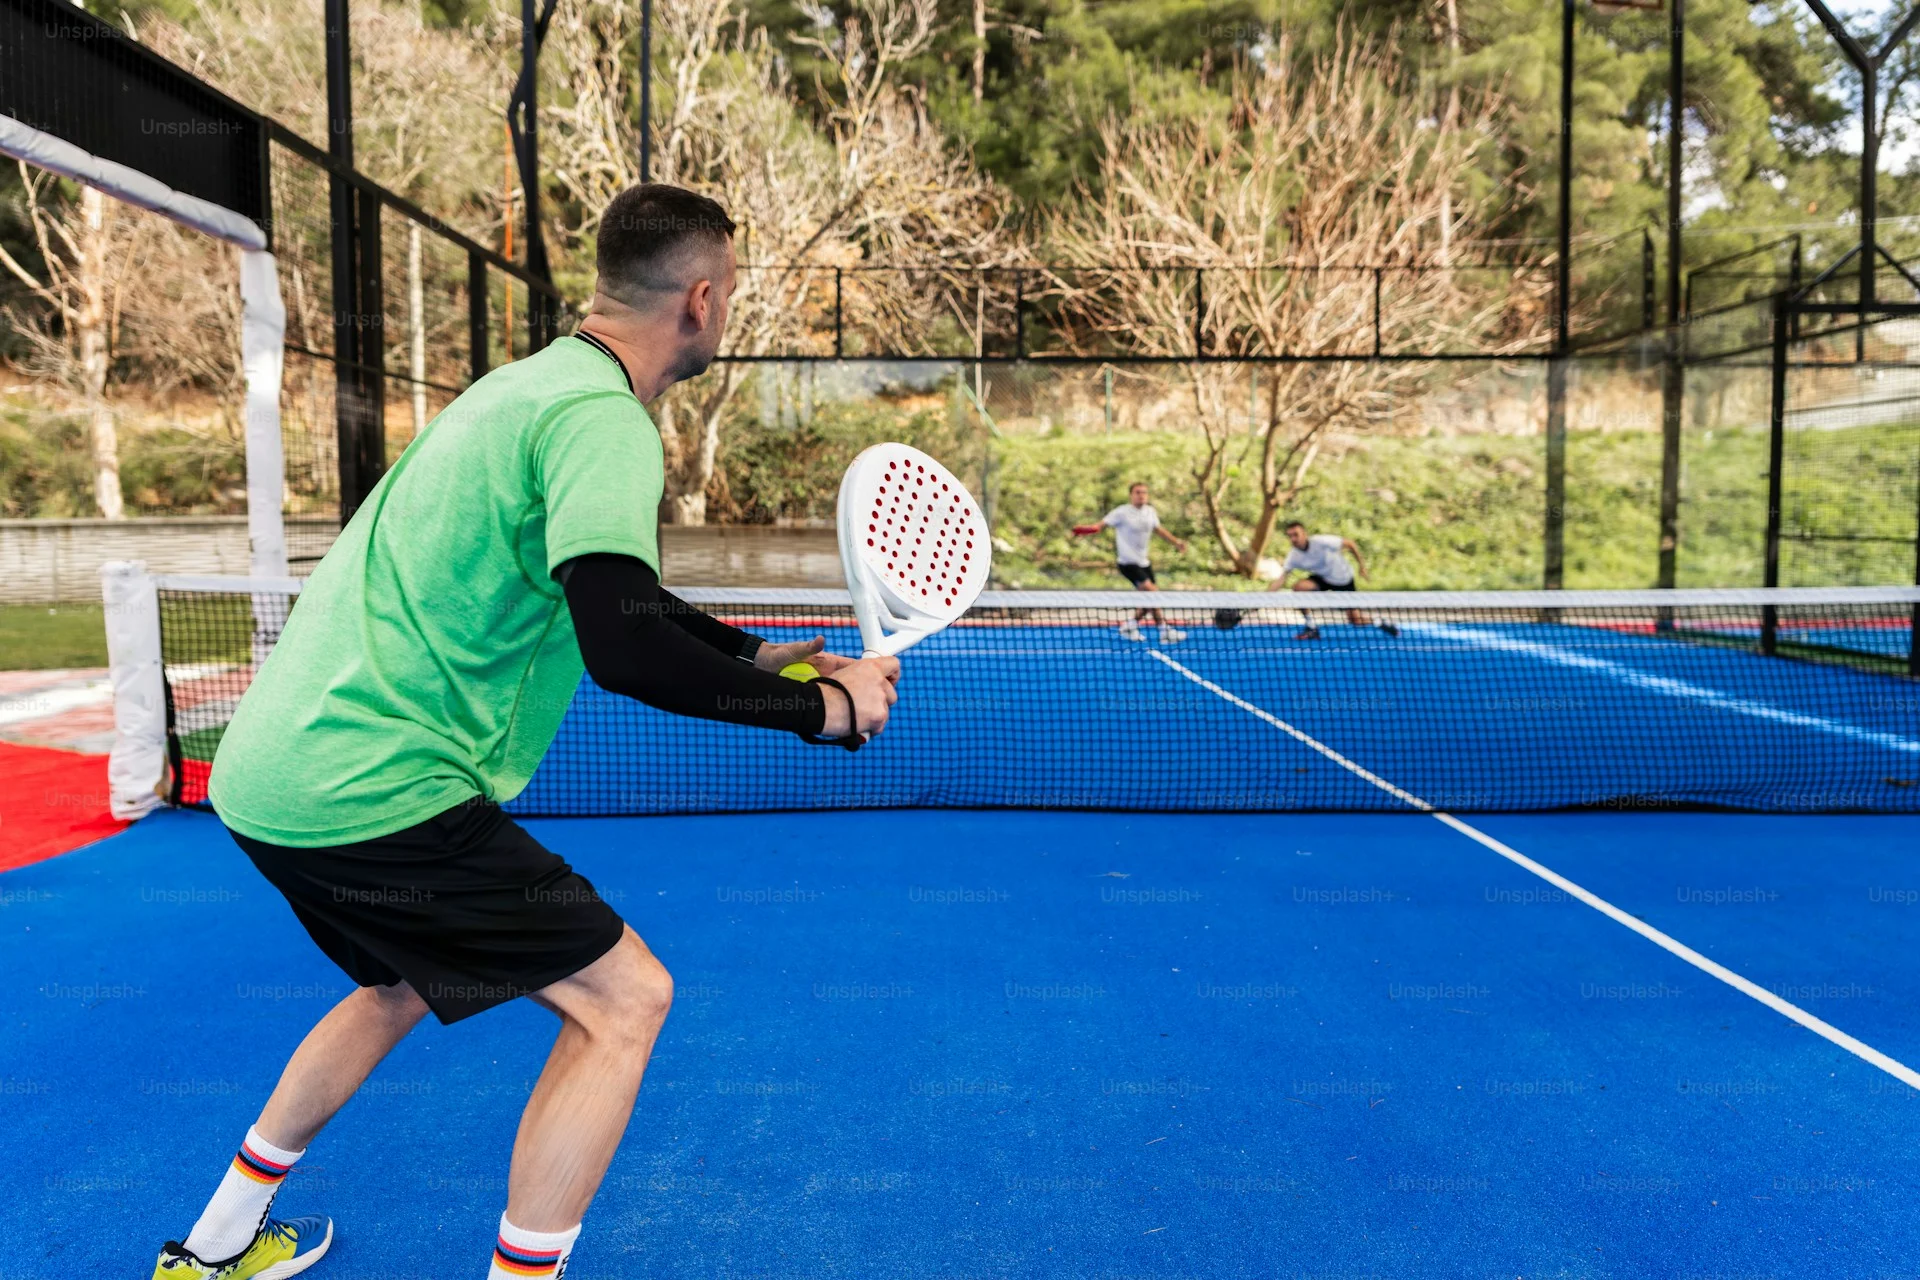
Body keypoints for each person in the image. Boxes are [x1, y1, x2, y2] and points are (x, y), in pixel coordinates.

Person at [150, 184, 901, 1280]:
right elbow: (625, 649)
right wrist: (822, 713)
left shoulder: (526, 387)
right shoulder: (605, 419)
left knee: (395, 980)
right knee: (625, 1001)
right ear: (699, 299)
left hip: (269, 774)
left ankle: (211, 1246)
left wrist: (759, 655)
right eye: (728, 293)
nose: (725, 311)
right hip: (378, 787)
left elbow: (616, 596)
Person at [1072, 481, 1188, 642]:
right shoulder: (1121, 512)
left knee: (1150, 598)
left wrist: (1176, 543)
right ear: (1131, 495)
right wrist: (1084, 530)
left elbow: (1159, 530)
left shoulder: (1150, 512)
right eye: (1138, 492)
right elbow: (1098, 526)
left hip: (1144, 562)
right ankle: (1164, 630)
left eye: (1144, 492)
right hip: (1127, 563)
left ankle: (1131, 625)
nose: (1141, 495)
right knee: (1153, 592)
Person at [1267, 520, 1399, 641]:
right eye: (1290, 536)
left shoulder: (1322, 541)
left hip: (1343, 579)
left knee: (1356, 620)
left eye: (1296, 534)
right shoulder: (1293, 555)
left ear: (1304, 534)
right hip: (1322, 578)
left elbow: (1350, 543)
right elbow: (1282, 579)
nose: (1293, 539)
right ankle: (1311, 627)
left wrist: (1362, 567)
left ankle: (1381, 622)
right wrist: (1262, 598)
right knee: (1299, 587)